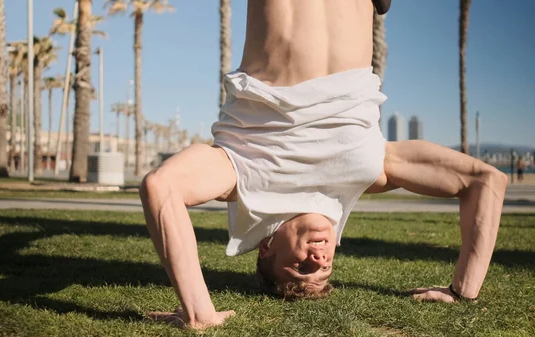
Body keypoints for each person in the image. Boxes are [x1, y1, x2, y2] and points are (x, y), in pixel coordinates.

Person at [141, 0, 508, 330]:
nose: (318, 257)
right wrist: (463, 291)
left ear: (265, 249)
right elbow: (486, 181)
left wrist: (199, 311)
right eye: (325, 266)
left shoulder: (243, 178)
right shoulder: (368, 173)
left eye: (302, 267)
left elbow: (161, 187)